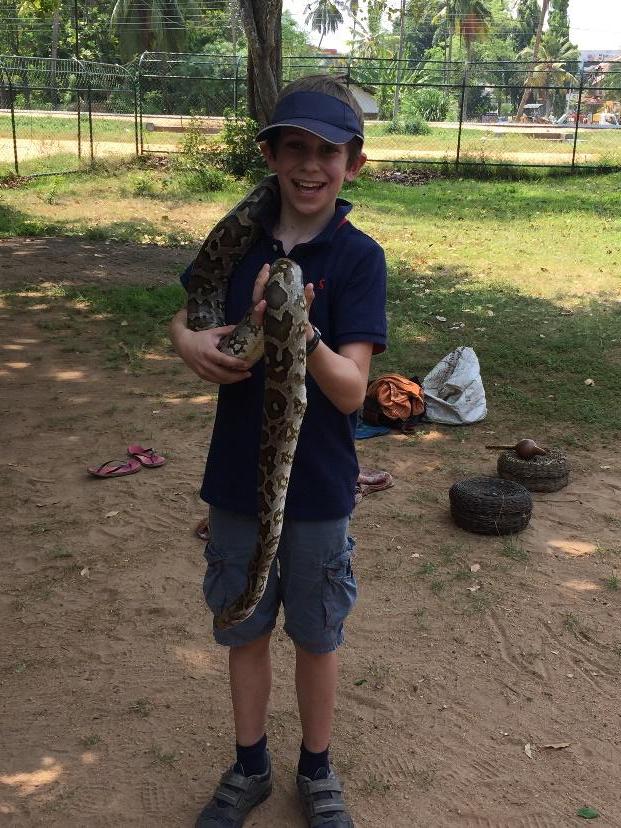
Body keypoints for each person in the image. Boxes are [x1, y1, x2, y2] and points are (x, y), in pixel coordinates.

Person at [170, 74, 387, 828]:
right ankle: (249, 764)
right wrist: (187, 338)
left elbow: (353, 392)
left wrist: (300, 325)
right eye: (293, 148)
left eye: (327, 152)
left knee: (317, 635)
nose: (308, 166)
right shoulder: (239, 248)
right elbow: (192, 311)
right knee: (244, 626)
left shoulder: (356, 258)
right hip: (236, 475)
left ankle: (317, 770)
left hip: (321, 483)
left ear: (352, 164)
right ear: (270, 155)